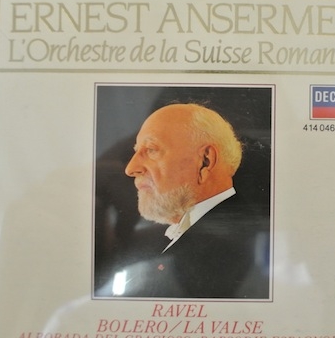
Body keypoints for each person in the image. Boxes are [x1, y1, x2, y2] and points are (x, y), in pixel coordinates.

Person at [96, 103, 270, 299]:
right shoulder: (173, 234)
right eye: (136, 151)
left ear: (205, 161)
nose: (130, 169)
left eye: (151, 150)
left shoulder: (221, 243)